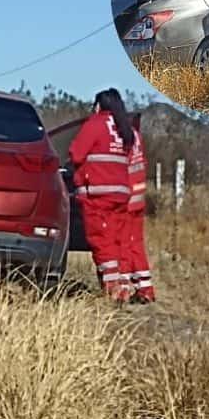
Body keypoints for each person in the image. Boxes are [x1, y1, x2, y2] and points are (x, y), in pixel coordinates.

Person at [68, 88, 135, 303]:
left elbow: (76, 153)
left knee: (101, 241)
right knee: (118, 240)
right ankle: (124, 286)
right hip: (121, 193)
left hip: (98, 194)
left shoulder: (95, 124)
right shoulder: (124, 129)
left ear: (99, 105)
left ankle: (112, 290)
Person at [123, 119, 156, 303]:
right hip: (139, 195)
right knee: (136, 244)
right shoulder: (136, 135)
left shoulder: (121, 134)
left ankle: (125, 287)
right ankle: (145, 288)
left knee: (125, 244)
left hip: (127, 197)